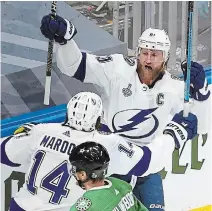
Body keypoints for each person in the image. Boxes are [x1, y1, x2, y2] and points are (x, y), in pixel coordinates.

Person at [40, 14, 211, 210]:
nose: (148, 59)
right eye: (144, 53)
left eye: (155, 55)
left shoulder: (174, 88)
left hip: (146, 164)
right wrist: (65, 40)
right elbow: (75, 66)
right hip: (109, 162)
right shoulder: (117, 68)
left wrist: (202, 94)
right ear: (137, 52)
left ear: (165, 58)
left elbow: (201, 126)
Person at [1, 92, 197, 211]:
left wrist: (26, 135)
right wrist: (175, 133)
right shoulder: (103, 144)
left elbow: (5, 153)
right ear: (98, 119)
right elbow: (148, 162)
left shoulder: (40, 132)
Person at [68, 141, 148, 211]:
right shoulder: (121, 184)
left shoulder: (86, 207)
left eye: (75, 169)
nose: (74, 173)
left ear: (83, 175)